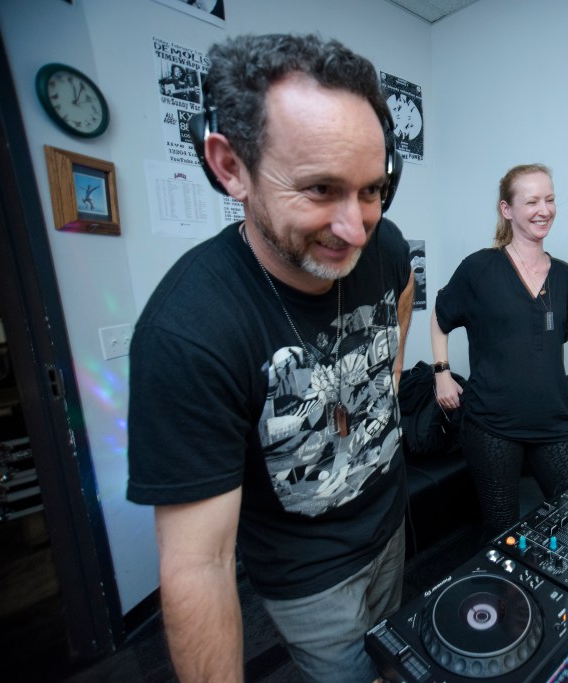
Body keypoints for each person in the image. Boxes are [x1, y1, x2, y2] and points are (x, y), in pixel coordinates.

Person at [127, 34, 413, 683]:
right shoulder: (188, 332)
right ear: (231, 167)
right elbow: (199, 565)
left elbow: (402, 290)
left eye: (373, 190)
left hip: (391, 527)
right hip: (309, 579)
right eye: (320, 189)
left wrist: (388, 379)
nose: (355, 228)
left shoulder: (385, 245)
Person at [430, 163, 568, 539]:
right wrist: (441, 373)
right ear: (507, 210)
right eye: (531, 201)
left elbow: (547, 344)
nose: (543, 210)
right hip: (492, 425)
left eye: (549, 199)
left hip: (554, 422)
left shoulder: (565, 275)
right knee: (503, 532)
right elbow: (440, 315)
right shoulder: (479, 268)